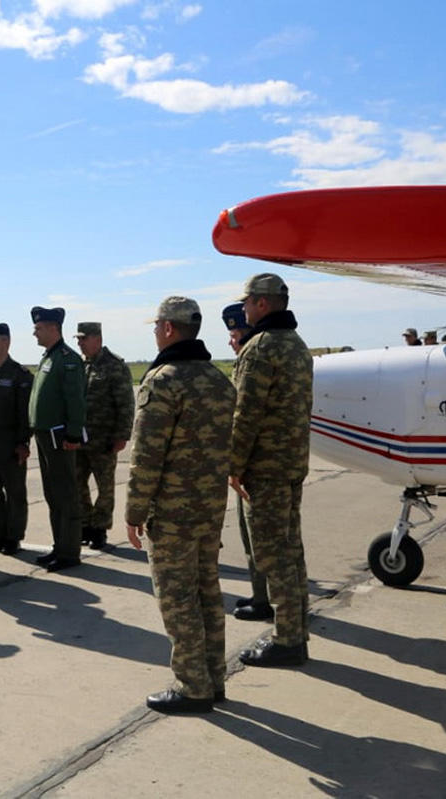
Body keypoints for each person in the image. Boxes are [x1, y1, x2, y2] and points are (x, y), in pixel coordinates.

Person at [127, 297, 236, 714]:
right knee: (207, 591)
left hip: (172, 512)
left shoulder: (163, 380)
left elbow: (147, 457)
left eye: (156, 326)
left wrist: (135, 512)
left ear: (169, 329)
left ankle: (193, 686)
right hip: (209, 506)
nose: (154, 333)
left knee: (176, 598)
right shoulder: (217, 379)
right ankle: (213, 677)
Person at [230, 273, 313, 667]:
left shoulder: (261, 348)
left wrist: (233, 465)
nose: (244, 308)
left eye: (247, 302)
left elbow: (246, 414)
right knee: (290, 550)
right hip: (292, 463)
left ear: (262, 303)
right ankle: (296, 630)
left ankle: (288, 640)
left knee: (272, 554)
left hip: (265, 468)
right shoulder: (297, 345)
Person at [222, 303, 273, 623]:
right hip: (253, 463)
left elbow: (245, 417)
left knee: (260, 536)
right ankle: (260, 596)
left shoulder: (252, 362)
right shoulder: (248, 360)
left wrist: (234, 466)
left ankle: (267, 600)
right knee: (249, 534)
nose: (231, 342)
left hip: (256, 465)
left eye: (234, 334)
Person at [27, 306, 87, 572]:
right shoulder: (49, 357)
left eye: (39, 328)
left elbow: (75, 400)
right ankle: (59, 545)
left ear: (53, 328)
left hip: (59, 435)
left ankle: (69, 551)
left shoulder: (68, 359)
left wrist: (74, 432)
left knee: (66, 494)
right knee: (53, 493)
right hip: (44, 435)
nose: (34, 332)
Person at [74, 322, 134, 551]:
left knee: (105, 487)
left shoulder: (114, 366)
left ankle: (99, 530)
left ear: (97, 339)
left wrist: (122, 435)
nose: (79, 343)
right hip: (81, 438)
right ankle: (85, 525)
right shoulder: (80, 366)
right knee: (78, 483)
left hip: (104, 439)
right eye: (78, 339)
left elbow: (126, 404)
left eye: (83, 339)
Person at [0, 321, 32, 555]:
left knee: (15, 493)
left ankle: (14, 537)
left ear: (6, 342)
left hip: (10, 443)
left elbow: (25, 412)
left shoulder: (20, 375)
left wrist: (23, 442)